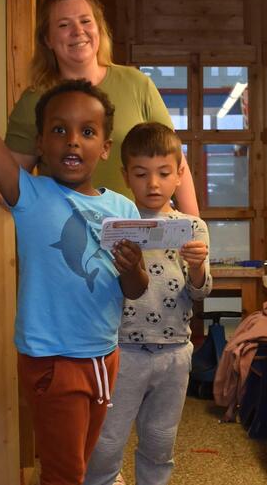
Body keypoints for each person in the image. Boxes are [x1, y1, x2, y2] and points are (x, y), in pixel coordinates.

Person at [0, 31, 150, 485]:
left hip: (104, 356)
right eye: (59, 130)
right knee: (64, 474)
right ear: (41, 143)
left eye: (87, 132)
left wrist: (132, 268)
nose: (72, 142)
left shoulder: (123, 208)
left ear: (105, 147)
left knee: (78, 467)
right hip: (52, 359)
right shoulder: (28, 194)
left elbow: (135, 289)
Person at [84, 123, 212, 485]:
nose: (153, 184)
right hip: (121, 350)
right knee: (106, 442)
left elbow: (200, 293)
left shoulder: (193, 227)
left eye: (164, 173)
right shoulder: (114, 223)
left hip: (175, 351)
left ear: (180, 174)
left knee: (159, 441)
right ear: (126, 175)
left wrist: (198, 266)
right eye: (141, 174)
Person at [4, 0, 199, 215]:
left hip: (136, 229)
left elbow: (174, 159)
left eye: (86, 21)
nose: (78, 31)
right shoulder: (33, 100)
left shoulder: (136, 83)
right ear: (47, 39)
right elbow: (11, 182)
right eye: (64, 25)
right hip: (66, 230)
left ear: (99, 28)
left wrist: (193, 225)